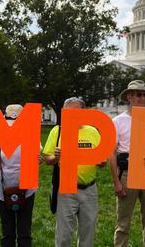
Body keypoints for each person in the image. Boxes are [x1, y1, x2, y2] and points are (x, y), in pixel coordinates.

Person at [43, 97, 102, 247]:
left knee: (87, 236)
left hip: (89, 189)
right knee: (63, 236)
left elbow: (102, 161)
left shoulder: (93, 132)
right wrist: (55, 158)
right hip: (67, 188)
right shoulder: (58, 131)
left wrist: (101, 162)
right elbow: (47, 159)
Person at [109, 80, 145, 247]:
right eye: (138, 94)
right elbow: (112, 152)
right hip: (127, 173)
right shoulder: (118, 121)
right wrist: (116, 182)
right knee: (123, 222)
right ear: (129, 97)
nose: (142, 98)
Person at [0, 104, 39, 247]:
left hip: (27, 189)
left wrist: (39, 161)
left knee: (24, 231)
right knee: (8, 231)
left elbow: (37, 160)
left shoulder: (31, 136)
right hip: (2, 190)